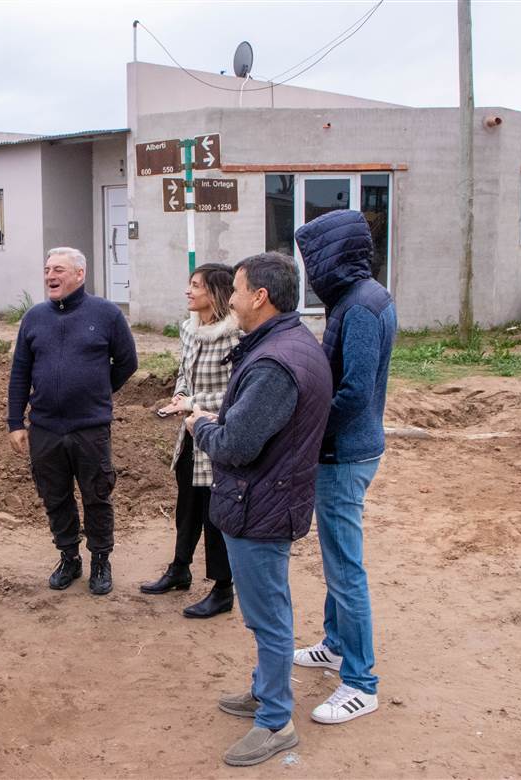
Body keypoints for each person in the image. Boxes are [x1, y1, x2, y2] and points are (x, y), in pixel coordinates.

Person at [185, 252, 331, 766]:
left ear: (260, 298)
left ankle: (275, 721)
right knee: (267, 609)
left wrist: (198, 423)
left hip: (261, 505)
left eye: (239, 290)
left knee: (268, 618)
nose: (234, 299)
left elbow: (235, 445)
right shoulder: (290, 343)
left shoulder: (275, 363)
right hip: (268, 498)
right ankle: (264, 691)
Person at [292, 209, 397, 724]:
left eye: (312, 258)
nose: (309, 270)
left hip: (344, 453)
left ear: (332, 257)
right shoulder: (365, 296)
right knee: (339, 559)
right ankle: (336, 644)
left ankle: (360, 681)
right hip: (352, 448)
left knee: (344, 567)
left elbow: (353, 392)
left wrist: (310, 429)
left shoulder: (358, 308)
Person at [7, 247, 138, 595]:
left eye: (59, 270)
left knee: (97, 496)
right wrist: (15, 422)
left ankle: (100, 560)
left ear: (80, 275)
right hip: (46, 428)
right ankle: (69, 557)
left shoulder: (107, 314)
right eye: (47, 269)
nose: (51, 275)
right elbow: (20, 372)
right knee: (55, 497)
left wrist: (98, 390)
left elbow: (127, 362)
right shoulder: (34, 318)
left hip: (90, 428)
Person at [140, 263, 240, 618]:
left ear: (215, 293)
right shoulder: (190, 330)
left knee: (216, 515)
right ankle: (179, 569)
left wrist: (193, 404)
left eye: (195, 285)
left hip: (218, 437)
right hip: (190, 434)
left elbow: (236, 392)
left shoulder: (235, 337)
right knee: (187, 507)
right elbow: (185, 371)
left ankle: (222, 588)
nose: (188, 291)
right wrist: (180, 397)